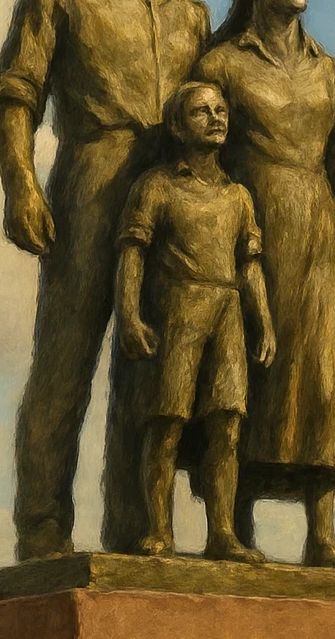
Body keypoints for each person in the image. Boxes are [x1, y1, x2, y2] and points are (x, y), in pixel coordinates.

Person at [0, 0, 210, 561]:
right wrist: (20, 183)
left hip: (170, 201)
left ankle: (133, 532)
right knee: (65, 361)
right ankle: (43, 530)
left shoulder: (192, 14)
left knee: (149, 373)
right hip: (89, 180)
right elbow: (16, 91)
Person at [195, 0, 335, 569]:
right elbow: (199, 155)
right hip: (249, 233)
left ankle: (322, 532)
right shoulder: (222, 64)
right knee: (250, 370)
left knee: (323, 374)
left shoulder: (328, 71)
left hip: (317, 241)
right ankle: (233, 525)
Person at [115, 82, 275, 562]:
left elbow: (250, 264)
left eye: (221, 110)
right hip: (177, 311)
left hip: (226, 313)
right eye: (202, 111)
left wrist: (263, 322)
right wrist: (127, 314)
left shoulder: (239, 197)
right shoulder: (156, 186)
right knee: (167, 423)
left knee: (226, 425)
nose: (216, 117)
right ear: (179, 126)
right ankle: (160, 531)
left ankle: (222, 533)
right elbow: (132, 251)